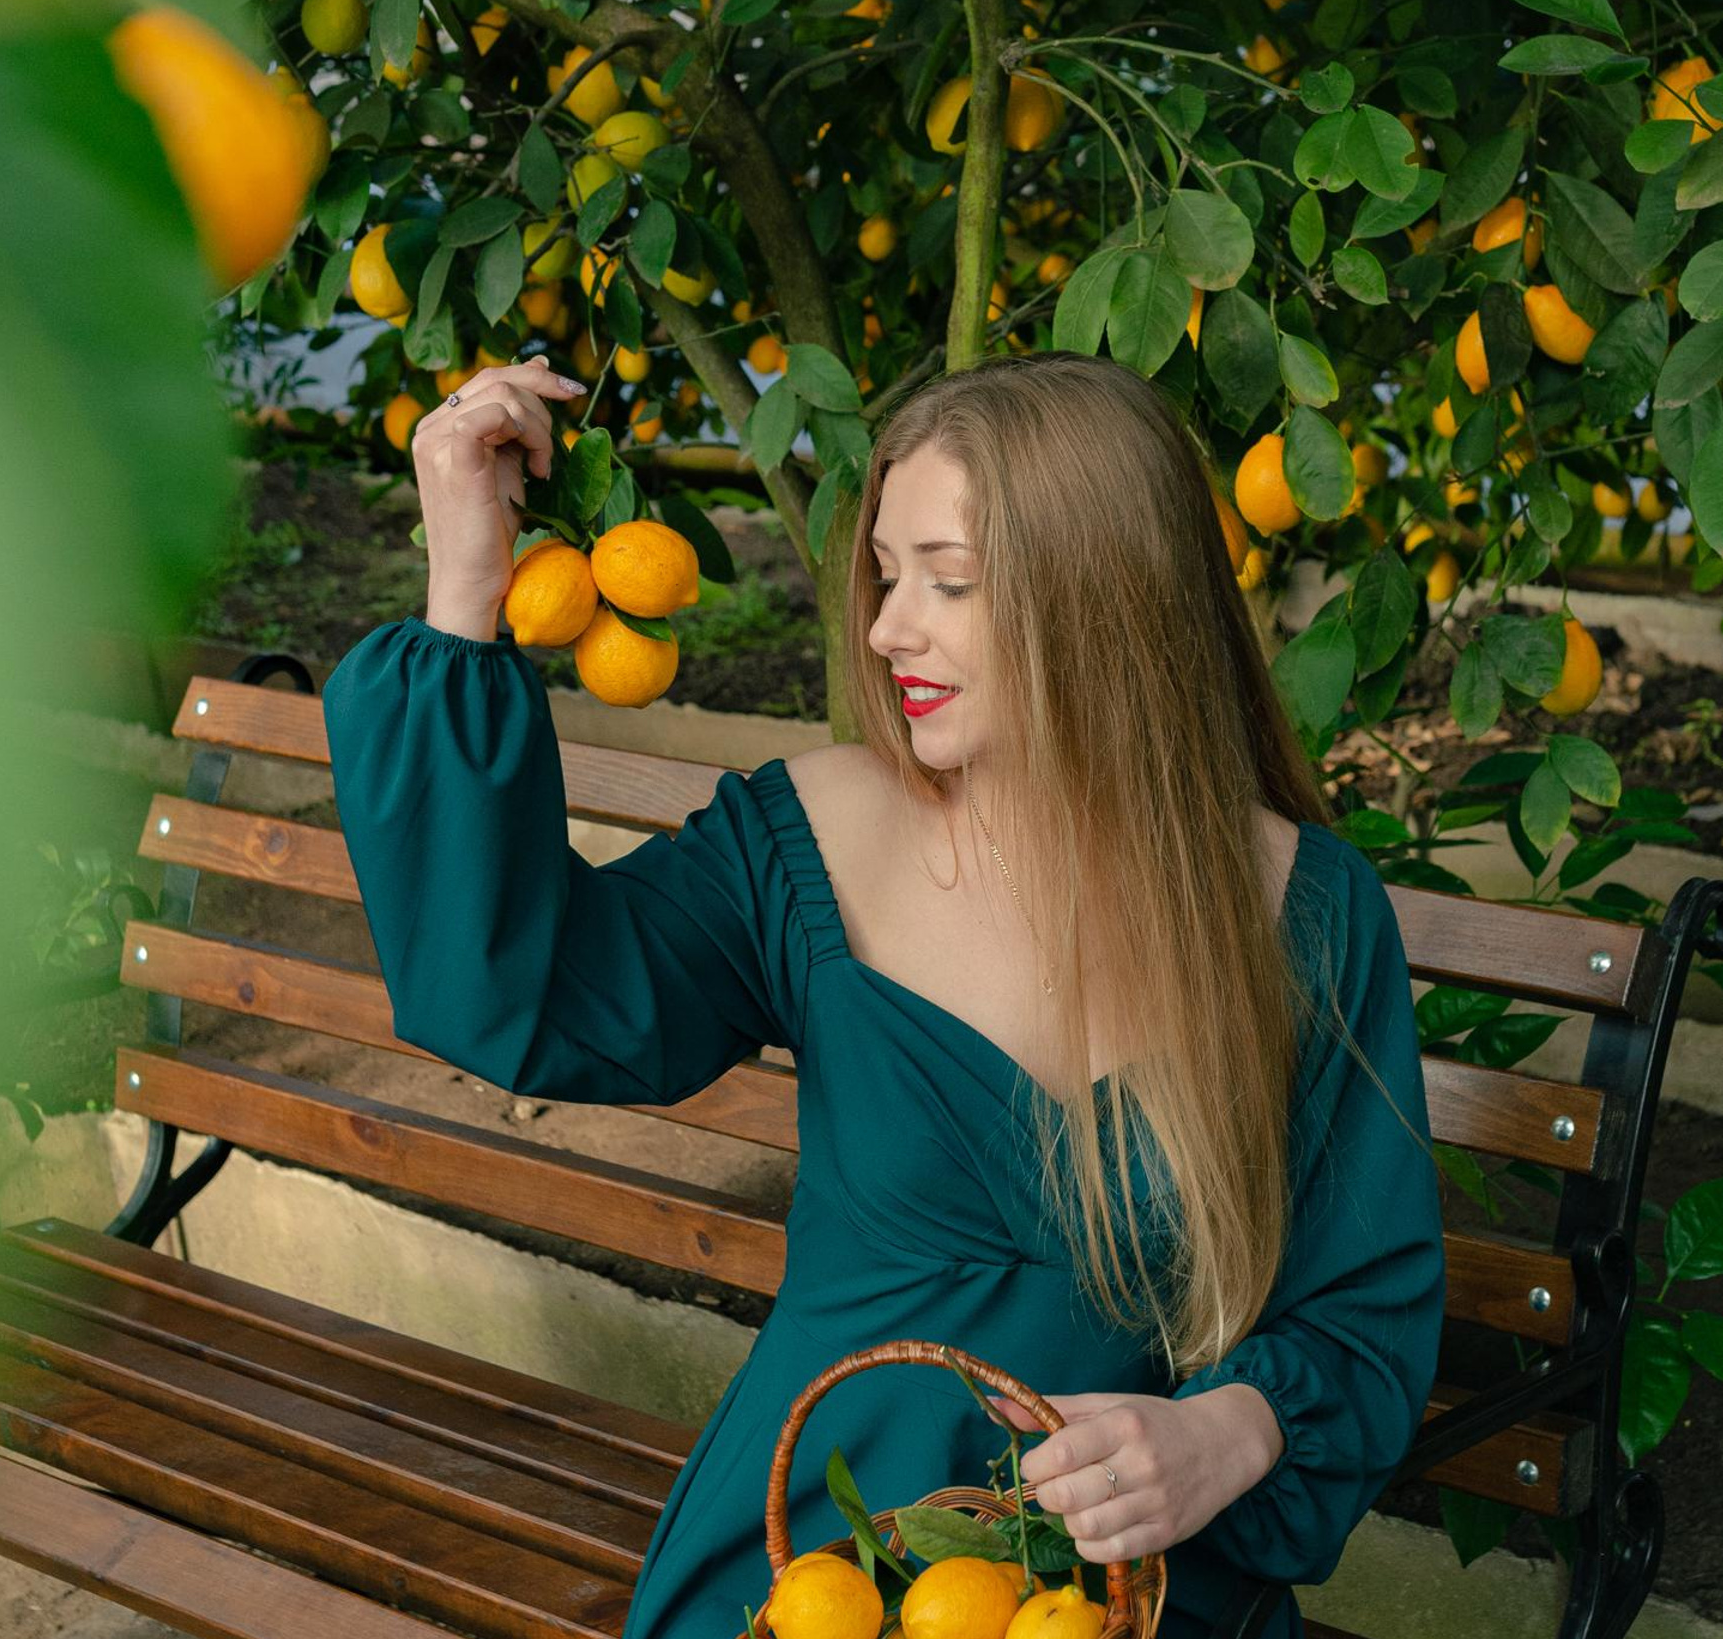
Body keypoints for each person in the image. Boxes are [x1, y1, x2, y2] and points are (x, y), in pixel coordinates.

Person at [321, 350, 1447, 1639]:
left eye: (947, 582)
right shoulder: (815, 837)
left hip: (1117, 1593)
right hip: (811, 1580)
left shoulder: (1300, 911)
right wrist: (466, 585)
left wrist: (1230, 1432)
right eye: (887, 574)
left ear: (1102, 596)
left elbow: (1363, 1305)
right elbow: (521, 995)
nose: (885, 629)